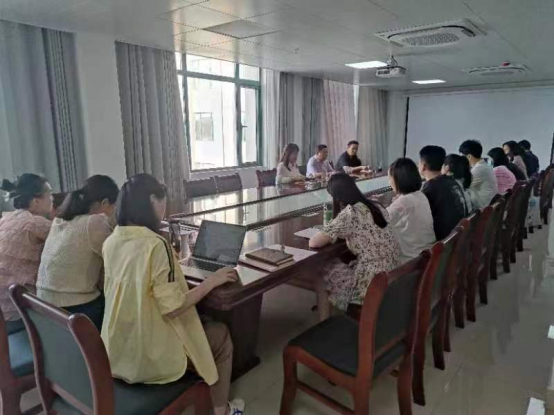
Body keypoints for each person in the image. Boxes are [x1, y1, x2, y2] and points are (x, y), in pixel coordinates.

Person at [101, 174, 244, 415]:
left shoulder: (112, 241)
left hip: (116, 349)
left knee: (201, 321)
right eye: (162, 202)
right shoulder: (156, 244)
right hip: (148, 356)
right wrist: (211, 281)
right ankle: (221, 411)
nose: (164, 208)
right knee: (220, 336)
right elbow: (173, 306)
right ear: (152, 201)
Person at [36, 175, 119, 331]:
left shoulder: (59, 220)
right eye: (114, 206)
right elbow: (117, 256)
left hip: (45, 306)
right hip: (75, 309)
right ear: (105, 203)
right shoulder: (94, 221)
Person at [309, 173, 400, 314]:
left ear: (337, 197)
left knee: (324, 269)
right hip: (392, 274)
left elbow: (314, 243)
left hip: (370, 283)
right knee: (345, 260)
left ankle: (325, 320)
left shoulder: (350, 213)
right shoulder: (376, 206)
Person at [0, 174, 52, 333]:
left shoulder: (7, 218)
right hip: (18, 310)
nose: (52, 199)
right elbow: (67, 242)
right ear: (36, 201)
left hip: (3, 307)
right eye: (49, 194)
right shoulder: (35, 223)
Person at [387, 158, 435, 264]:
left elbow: (381, 221)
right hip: (428, 255)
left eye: (390, 177)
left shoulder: (403, 203)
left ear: (398, 179)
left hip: (411, 262)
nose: (389, 181)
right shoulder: (420, 195)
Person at [419, 146, 467, 241]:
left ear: (423, 166)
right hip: (458, 238)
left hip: (443, 243)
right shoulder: (452, 181)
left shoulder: (430, 188)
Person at [459, 140, 499, 209]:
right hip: (490, 207)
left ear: (469, 156)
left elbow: (461, 187)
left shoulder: (478, 170)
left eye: (462, 157)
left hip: (484, 210)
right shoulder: (484, 166)